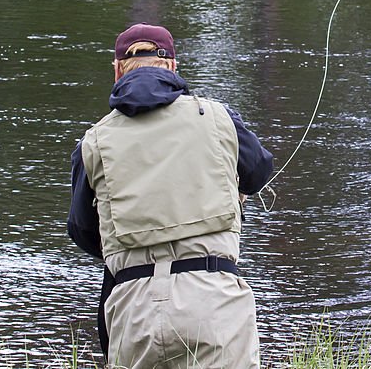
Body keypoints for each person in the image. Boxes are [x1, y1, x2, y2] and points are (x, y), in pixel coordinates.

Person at [68, 23, 274, 368]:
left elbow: (82, 230)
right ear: (174, 67)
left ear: (117, 69)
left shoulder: (93, 141)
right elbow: (258, 173)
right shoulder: (219, 118)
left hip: (132, 309)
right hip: (214, 299)